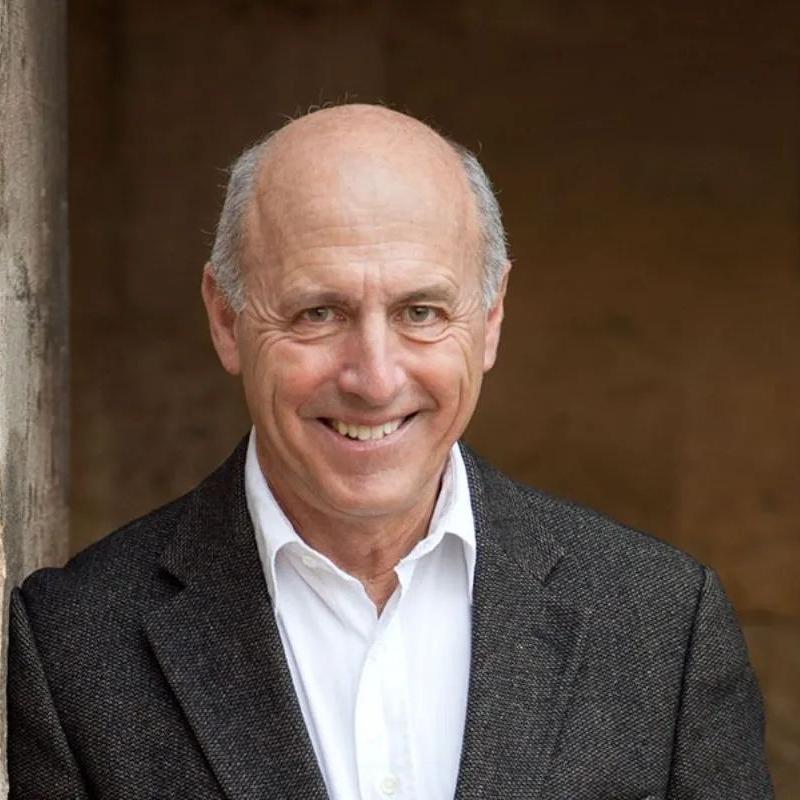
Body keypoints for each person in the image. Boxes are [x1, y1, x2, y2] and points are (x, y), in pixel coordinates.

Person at [8, 104, 773, 799]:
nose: (374, 379)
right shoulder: (74, 645)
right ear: (225, 319)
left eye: (421, 311)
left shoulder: (661, 624)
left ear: (491, 319)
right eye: (318, 312)